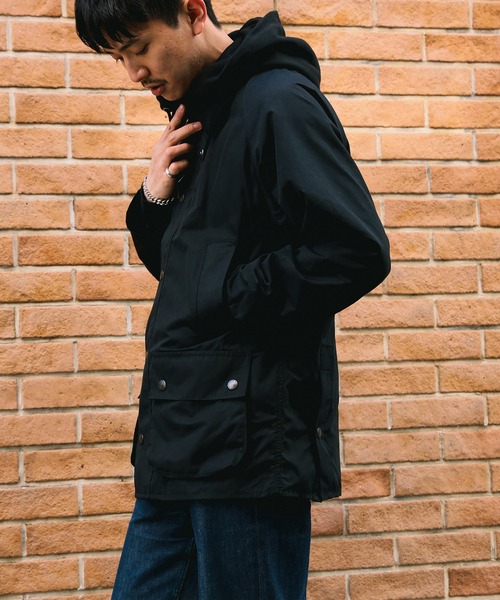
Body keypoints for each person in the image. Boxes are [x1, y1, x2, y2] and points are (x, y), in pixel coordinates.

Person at [75, 1, 391, 598]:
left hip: (246, 447)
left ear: (193, 12)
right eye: (117, 57)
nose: (133, 72)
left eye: (139, 47)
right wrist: (154, 199)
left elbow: (354, 249)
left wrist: (228, 293)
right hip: (177, 438)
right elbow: (183, 274)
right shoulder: (199, 119)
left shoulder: (278, 103)